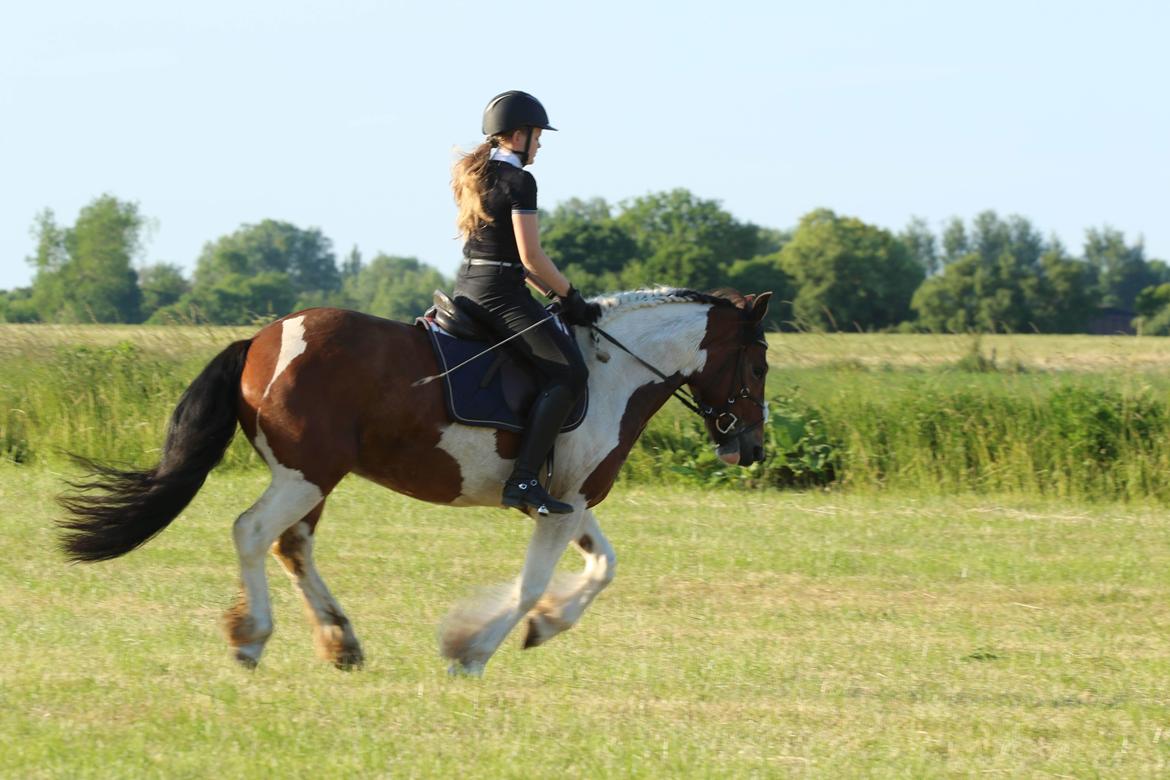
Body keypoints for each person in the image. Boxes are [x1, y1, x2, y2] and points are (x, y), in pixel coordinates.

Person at [450, 90, 600, 516]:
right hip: (500, 293)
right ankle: (524, 478)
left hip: (470, 286)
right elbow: (531, 257)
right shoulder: (520, 181)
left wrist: (555, 295)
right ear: (518, 135)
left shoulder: (474, 175)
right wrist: (573, 297)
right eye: (537, 135)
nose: (541, 144)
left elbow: (514, 259)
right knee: (570, 373)